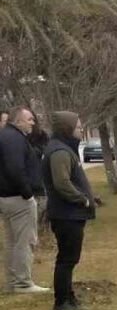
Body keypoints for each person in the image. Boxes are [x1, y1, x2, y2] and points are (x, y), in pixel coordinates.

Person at [43, 112, 101, 310]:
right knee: (67, 259)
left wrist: (91, 197)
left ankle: (69, 297)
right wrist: (82, 199)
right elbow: (62, 183)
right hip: (66, 214)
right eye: (78, 126)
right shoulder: (59, 152)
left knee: (70, 258)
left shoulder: (65, 149)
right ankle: (61, 302)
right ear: (67, 129)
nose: (81, 129)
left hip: (70, 214)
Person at [0, 106, 48, 294]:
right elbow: (15, 168)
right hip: (18, 199)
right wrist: (28, 193)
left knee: (12, 241)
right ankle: (22, 283)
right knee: (24, 241)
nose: (33, 123)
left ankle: (13, 282)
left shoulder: (6, 136)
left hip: (7, 198)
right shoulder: (14, 139)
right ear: (18, 120)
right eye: (29, 119)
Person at [26, 111, 50, 235]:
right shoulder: (20, 137)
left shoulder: (42, 136)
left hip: (39, 179)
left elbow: (45, 150)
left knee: (42, 207)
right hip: (27, 182)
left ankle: (42, 232)